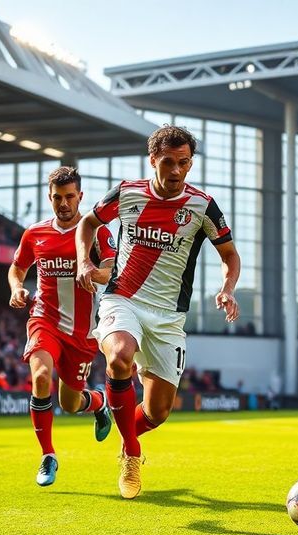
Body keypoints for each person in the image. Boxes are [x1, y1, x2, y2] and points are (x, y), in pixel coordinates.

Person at [76, 125, 241, 499]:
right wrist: (84, 262)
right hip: (124, 299)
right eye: (168, 162)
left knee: (157, 412)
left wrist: (228, 288)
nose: (176, 171)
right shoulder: (127, 193)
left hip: (169, 317)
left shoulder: (202, 206)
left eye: (184, 163)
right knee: (118, 358)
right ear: (153, 160)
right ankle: (132, 455)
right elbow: (88, 223)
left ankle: (122, 432)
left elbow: (229, 254)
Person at [9, 166, 115, 487]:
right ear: (49, 197)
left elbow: (112, 271)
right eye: (57, 197)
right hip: (44, 320)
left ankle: (98, 403)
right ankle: (48, 455)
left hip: (82, 334)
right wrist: (16, 288)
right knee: (41, 377)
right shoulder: (35, 233)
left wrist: (93, 273)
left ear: (80, 196)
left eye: (70, 197)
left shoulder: (98, 232)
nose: (64, 203)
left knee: (70, 403)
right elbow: (17, 268)